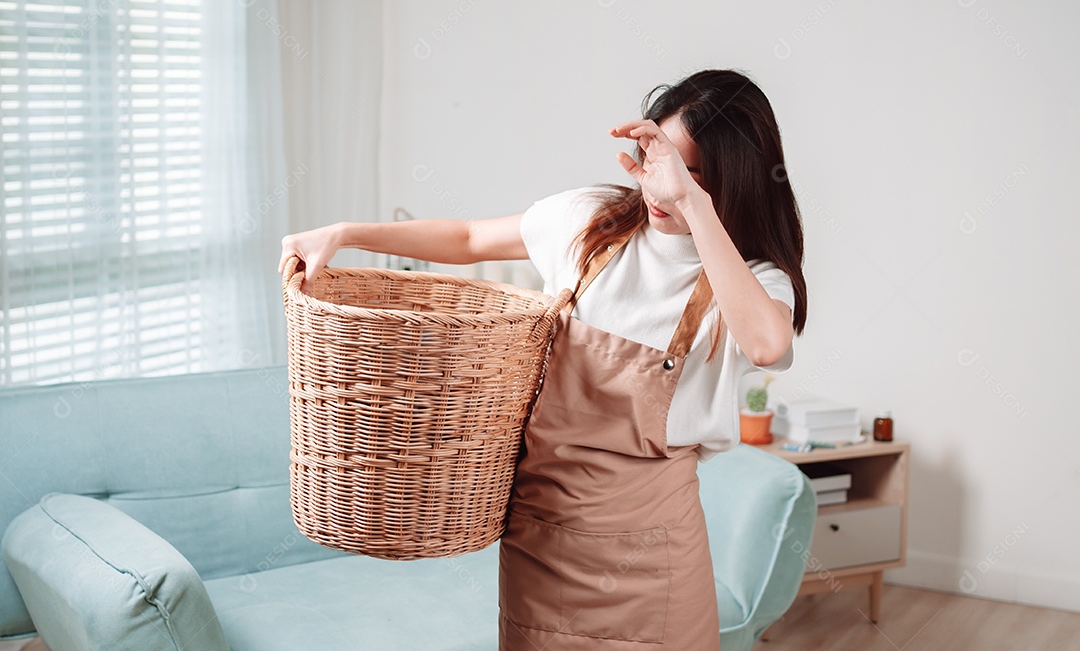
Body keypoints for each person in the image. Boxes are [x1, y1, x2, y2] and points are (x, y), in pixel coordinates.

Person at [278, 68, 807, 650]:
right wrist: (345, 232)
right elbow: (471, 238)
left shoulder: (753, 279)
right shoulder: (594, 224)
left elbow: (766, 344)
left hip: (653, 557)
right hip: (543, 539)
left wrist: (693, 204)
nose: (659, 190)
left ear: (734, 179)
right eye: (657, 164)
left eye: (690, 174)